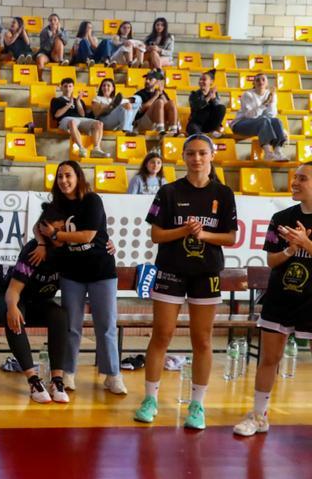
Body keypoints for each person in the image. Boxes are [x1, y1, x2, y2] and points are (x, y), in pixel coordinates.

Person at [134, 134, 238, 430]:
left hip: (206, 273)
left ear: (211, 156)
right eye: (190, 154)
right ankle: (150, 400)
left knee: (202, 340)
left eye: (202, 153)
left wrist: (203, 235)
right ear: (183, 157)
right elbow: (156, 235)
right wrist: (183, 231)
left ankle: (197, 405)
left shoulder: (224, 193)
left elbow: (231, 237)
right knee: (162, 335)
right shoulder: (168, 191)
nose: (196, 159)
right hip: (171, 271)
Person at [234, 162, 312, 437]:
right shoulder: (280, 217)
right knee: (269, 358)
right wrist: (291, 249)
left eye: (302, 178)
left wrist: (308, 245)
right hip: (280, 297)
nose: (295, 182)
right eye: (295, 177)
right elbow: (270, 259)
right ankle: (259, 415)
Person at [39, 160, 126, 395]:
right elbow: (45, 233)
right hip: (72, 274)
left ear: (78, 177)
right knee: (71, 326)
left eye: (68, 175)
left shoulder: (92, 200)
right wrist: (47, 239)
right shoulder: (55, 206)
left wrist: (58, 233)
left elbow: (87, 236)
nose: (64, 181)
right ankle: (68, 373)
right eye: (59, 177)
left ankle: (113, 374)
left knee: (106, 325)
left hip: (101, 271)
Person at [4, 206, 70, 404]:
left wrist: (108, 245)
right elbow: (12, 291)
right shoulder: (33, 250)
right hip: (20, 299)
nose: (59, 236)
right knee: (12, 316)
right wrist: (12, 307)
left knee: (60, 316)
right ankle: (33, 380)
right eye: (55, 233)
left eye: (62, 231)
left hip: (42, 303)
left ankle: (57, 380)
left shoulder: (68, 251)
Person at [230, 73, 289, 162]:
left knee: (277, 120)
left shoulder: (270, 94)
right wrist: (264, 104)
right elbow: (250, 116)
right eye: (257, 80)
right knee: (263, 120)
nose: (260, 82)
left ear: (267, 83)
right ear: (253, 83)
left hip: (261, 124)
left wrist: (271, 103)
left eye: (263, 80)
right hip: (241, 124)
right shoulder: (247, 95)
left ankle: (278, 151)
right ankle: (268, 153)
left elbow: (271, 115)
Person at [50, 78, 106, 158]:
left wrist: (78, 101)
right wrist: (69, 105)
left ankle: (96, 148)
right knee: (72, 121)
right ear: (61, 87)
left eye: (70, 86)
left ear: (73, 87)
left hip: (80, 119)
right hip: (65, 119)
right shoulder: (56, 100)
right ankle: (81, 148)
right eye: (65, 86)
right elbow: (56, 115)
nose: (68, 88)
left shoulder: (78, 100)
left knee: (99, 123)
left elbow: (82, 115)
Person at [133, 69, 180, 136]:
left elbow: (168, 107)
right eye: (146, 79)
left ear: (157, 82)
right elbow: (140, 110)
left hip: (158, 121)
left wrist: (161, 93)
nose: (147, 81)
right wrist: (155, 96)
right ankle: (161, 131)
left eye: (150, 79)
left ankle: (173, 131)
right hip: (142, 122)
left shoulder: (161, 93)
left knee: (171, 103)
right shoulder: (140, 93)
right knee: (159, 102)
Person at [187, 69, 226, 137]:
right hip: (197, 123)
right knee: (195, 132)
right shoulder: (194, 94)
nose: (201, 81)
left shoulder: (215, 94)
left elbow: (218, 110)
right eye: (200, 79)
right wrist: (208, 97)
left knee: (221, 107)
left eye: (204, 80)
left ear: (211, 82)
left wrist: (213, 98)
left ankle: (214, 130)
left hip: (209, 124)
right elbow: (197, 106)